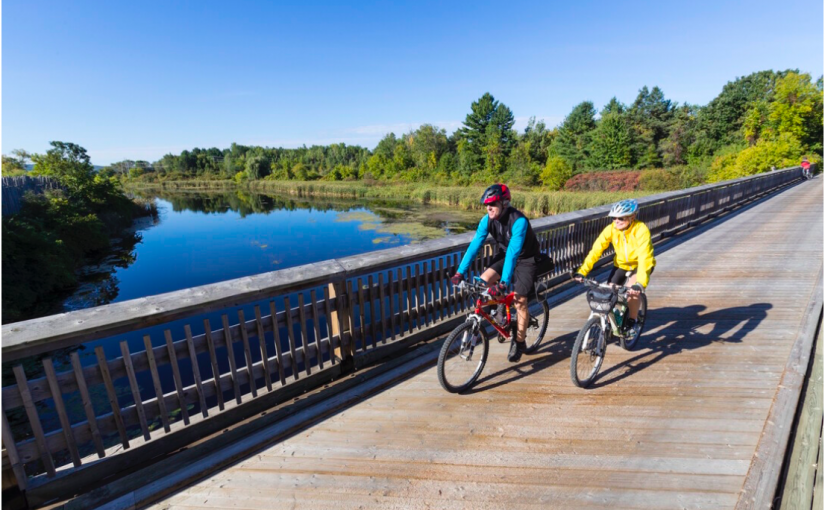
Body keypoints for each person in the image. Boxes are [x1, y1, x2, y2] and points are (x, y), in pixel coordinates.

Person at [450, 184, 542, 363]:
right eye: (486, 205)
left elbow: (514, 253)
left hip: (526, 259)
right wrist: (460, 273)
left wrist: (504, 282)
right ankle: (502, 309)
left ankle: (519, 342)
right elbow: (474, 246)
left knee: (520, 301)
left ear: (504, 203)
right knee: (483, 281)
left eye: (492, 204)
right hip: (505, 254)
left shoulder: (519, 221)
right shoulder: (487, 220)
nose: (488, 208)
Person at [574, 199, 655, 340]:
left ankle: (633, 321)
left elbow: (644, 257)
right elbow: (596, 250)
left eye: (621, 218)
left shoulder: (641, 230)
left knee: (632, 293)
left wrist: (640, 283)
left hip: (639, 266)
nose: (617, 221)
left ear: (632, 217)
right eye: (614, 218)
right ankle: (610, 321)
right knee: (608, 292)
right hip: (621, 265)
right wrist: (582, 271)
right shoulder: (611, 229)